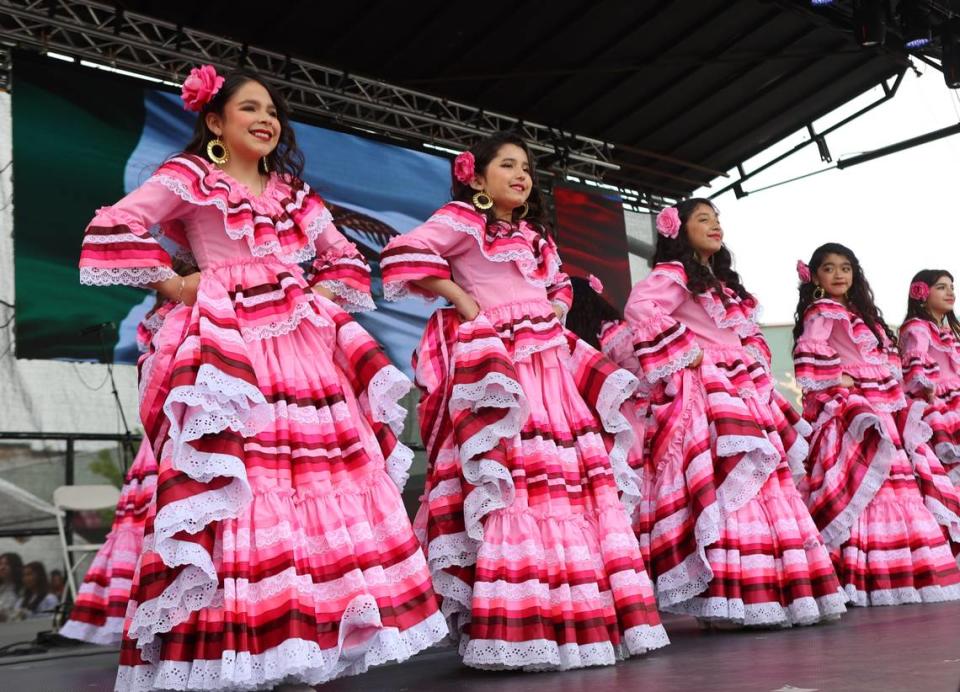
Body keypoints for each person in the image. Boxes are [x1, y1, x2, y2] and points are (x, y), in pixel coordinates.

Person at [78, 64, 445, 691]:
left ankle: (299, 638)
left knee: (313, 481)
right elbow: (116, 223)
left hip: (301, 350)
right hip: (231, 347)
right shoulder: (190, 177)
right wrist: (174, 281)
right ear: (215, 121)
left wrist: (308, 293)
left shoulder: (295, 195)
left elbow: (344, 259)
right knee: (239, 481)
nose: (266, 119)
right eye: (250, 108)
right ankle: (234, 647)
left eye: (272, 110)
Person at [380, 131, 668, 671]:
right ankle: (520, 623)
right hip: (503, 365)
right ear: (477, 177)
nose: (521, 176)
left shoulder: (534, 236)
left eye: (527, 169)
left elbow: (559, 284)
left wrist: (555, 310)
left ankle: (573, 621)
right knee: (513, 481)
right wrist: (465, 300)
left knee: (566, 483)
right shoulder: (463, 222)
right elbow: (406, 252)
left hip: (550, 365)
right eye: (507, 166)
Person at [620, 200, 846, 627]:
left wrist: (750, 360)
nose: (715, 226)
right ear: (678, 230)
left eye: (717, 219)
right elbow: (640, 309)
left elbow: (748, 335)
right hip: (710, 389)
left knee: (763, 481)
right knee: (726, 481)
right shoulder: (675, 275)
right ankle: (728, 598)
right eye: (703, 219)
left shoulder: (721, 284)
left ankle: (769, 592)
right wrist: (687, 353)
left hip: (742, 387)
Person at [793, 244, 960, 605]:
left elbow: (891, 363)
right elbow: (809, 352)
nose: (839, 275)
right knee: (862, 485)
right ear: (815, 277)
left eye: (846, 268)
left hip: (883, 406)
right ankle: (863, 578)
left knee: (896, 486)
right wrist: (839, 377)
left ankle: (900, 575)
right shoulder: (823, 310)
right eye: (829, 268)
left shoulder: (860, 314)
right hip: (857, 411)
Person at [899, 270, 960, 484]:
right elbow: (916, 364)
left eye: (952, 287)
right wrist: (927, 387)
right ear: (922, 294)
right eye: (941, 287)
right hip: (940, 403)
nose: (950, 292)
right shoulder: (918, 327)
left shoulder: (948, 330)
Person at [0, 552, 24, 622]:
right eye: (0, 564)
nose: (2, 567)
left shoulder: (22, 590)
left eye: (7, 564)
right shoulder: (2, 588)